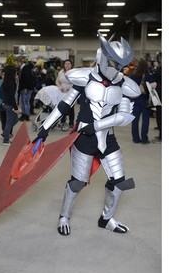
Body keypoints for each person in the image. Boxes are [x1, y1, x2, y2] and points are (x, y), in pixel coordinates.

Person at [33, 32, 141, 236]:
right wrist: (44, 128)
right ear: (103, 57)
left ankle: (106, 219)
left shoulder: (125, 85)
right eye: (113, 62)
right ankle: (64, 215)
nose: (117, 69)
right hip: (83, 137)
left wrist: (98, 125)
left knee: (119, 181)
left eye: (122, 65)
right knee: (77, 181)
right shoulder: (83, 77)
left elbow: (125, 116)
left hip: (107, 137)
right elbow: (65, 105)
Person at [129, 58, 156, 144]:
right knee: (145, 120)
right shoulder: (147, 76)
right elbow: (154, 85)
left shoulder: (133, 76)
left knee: (135, 120)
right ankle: (144, 139)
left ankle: (135, 138)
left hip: (135, 100)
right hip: (145, 100)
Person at [0, 67, 17, 143]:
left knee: (13, 120)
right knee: (8, 122)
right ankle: (6, 139)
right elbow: (11, 96)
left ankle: (5, 134)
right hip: (7, 105)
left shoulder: (5, 82)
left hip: (5, 104)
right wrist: (16, 107)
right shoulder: (5, 83)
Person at [56, 59, 75, 128]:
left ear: (71, 65)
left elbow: (76, 82)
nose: (67, 65)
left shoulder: (73, 72)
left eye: (69, 64)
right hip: (62, 92)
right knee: (62, 106)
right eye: (66, 63)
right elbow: (57, 80)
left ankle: (71, 122)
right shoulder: (61, 72)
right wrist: (59, 86)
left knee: (70, 107)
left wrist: (71, 87)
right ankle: (62, 121)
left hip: (71, 92)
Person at [152, 52, 162, 143]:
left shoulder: (160, 69)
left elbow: (155, 77)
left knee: (160, 115)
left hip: (161, 94)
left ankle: (161, 136)